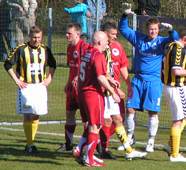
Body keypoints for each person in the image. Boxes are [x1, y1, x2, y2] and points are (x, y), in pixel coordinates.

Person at [118, 3, 179, 153]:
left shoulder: (161, 42)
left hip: (154, 82)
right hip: (138, 80)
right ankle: (130, 138)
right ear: (147, 29)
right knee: (130, 109)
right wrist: (125, 15)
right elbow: (123, 29)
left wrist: (172, 31)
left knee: (152, 112)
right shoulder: (139, 39)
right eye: (151, 29)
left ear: (159, 31)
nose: (153, 31)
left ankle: (150, 141)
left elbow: (175, 40)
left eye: (155, 30)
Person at [99, 20, 147, 160]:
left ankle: (127, 150)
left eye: (116, 34)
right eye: (113, 34)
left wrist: (128, 84)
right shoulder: (100, 48)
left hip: (113, 90)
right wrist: (114, 90)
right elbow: (102, 72)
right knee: (105, 122)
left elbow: (123, 66)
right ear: (105, 34)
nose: (115, 36)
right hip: (103, 90)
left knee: (118, 119)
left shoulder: (118, 47)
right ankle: (97, 148)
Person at [4, 25, 56, 153]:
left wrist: (49, 77)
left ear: (41, 37)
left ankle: (30, 143)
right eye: (34, 37)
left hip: (40, 86)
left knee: (37, 115)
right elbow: (7, 64)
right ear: (29, 37)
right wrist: (16, 80)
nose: (36, 40)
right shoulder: (21, 49)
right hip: (26, 87)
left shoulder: (45, 50)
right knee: (28, 115)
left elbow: (53, 64)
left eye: (38, 37)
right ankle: (30, 143)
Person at [77, 31, 120, 167]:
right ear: (100, 42)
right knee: (95, 126)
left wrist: (110, 80)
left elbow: (93, 72)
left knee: (93, 124)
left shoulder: (87, 52)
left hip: (83, 92)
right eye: (107, 41)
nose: (108, 43)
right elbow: (100, 77)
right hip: (93, 93)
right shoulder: (99, 55)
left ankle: (79, 150)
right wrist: (113, 92)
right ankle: (89, 159)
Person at [162, 27, 186, 162]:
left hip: (170, 87)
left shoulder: (169, 45)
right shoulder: (178, 49)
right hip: (176, 87)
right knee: (178, 121)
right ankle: (175, 154)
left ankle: (170, 144)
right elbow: (176, 71)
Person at [56, 23, 89, 152]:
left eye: (69, 33)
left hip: (82, 89)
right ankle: (68, 144)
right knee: (69, 114)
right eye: (66, 32)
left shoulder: (84, 47)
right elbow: (72, 66)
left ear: (77, 34)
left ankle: (88, 145)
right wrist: (69, 81)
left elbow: (89, 67)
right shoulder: (70, 47)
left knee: (87, 118)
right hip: (72, 88)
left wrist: (80, 78)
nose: (66, 35)